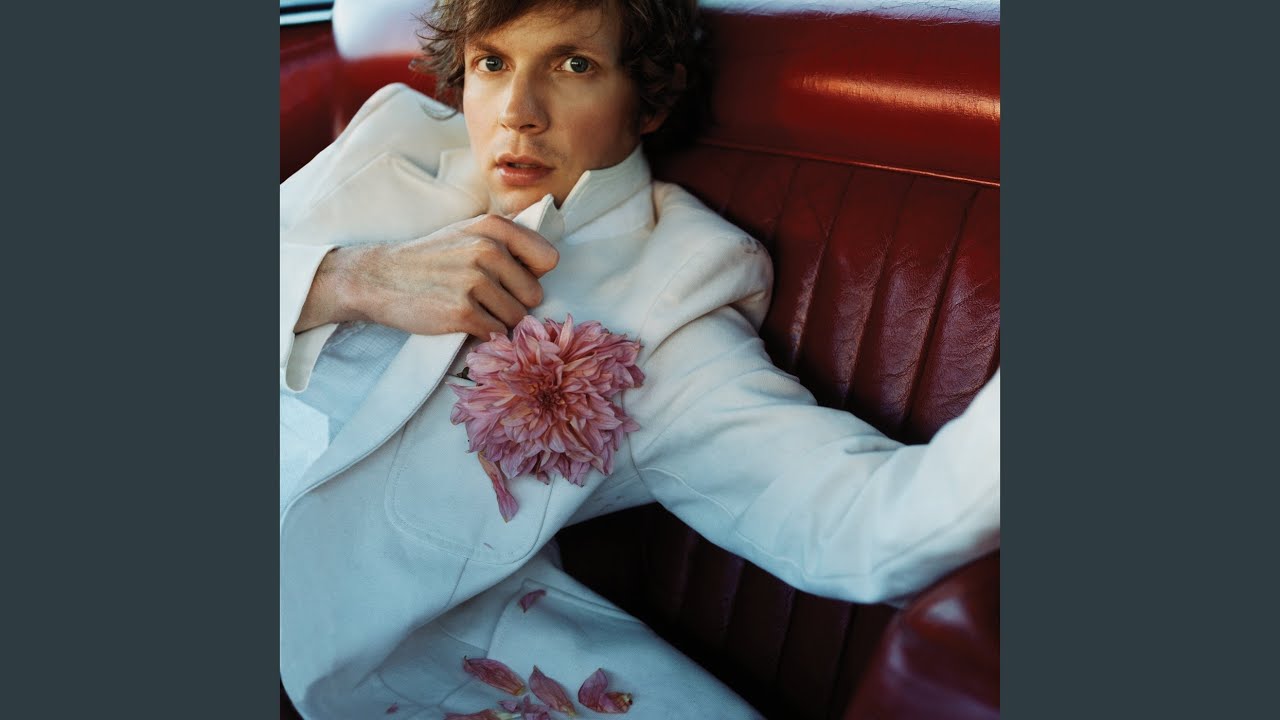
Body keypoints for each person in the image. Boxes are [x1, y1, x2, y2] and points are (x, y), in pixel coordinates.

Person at [279, 1, 1000, 718]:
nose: (518, 113)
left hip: (346, 668)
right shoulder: (394, 146)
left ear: (647, 101)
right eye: (492, 63)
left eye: (574, 65)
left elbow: (869, 528)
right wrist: (344, 280)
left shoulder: (670, 294)